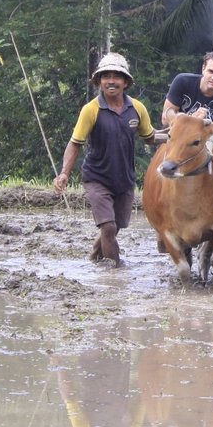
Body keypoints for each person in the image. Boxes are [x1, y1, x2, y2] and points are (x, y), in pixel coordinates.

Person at [53, 52, 156, 266]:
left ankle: (94, 255)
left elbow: (150, 137)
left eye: (117, 76)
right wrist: (64, 173)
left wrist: (181, 133)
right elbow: (75, 143)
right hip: (97, 178)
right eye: (106, 76)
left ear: (125, 82)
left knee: (115, 226)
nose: (111, 81)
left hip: (125, 179)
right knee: (108, 227)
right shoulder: (91, 110)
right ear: (99, 81)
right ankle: (114, 272)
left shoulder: (137, 109)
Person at [162, 50, 213, 131]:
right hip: (171, 139)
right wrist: (190, 120)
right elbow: (165, 120)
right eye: (211, 71)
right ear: (203, 69)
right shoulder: (182, 81)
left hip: (201, 142)